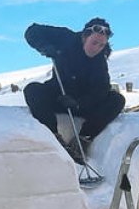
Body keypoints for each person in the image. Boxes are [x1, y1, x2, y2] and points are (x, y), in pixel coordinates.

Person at [23, 18, 125, 163]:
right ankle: (54, 138)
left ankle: (82, 140)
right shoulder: (66, 38)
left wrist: (78, 103)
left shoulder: (99, 61)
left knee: (117, 100)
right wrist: (44, 46)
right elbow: (32, 31)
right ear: (84, 36)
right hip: (58, 95)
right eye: (94, 43)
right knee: (33, 90)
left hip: (82, 104)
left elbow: (101, 91)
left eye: (101, 45)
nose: (97, 48)